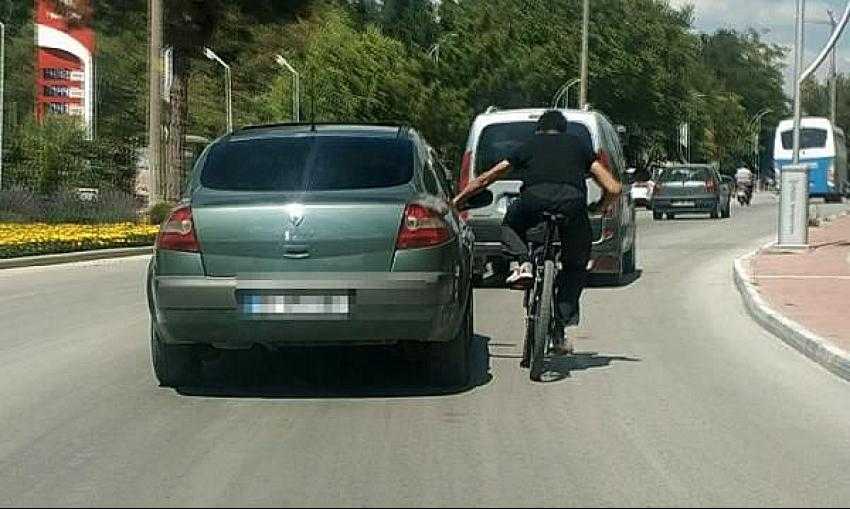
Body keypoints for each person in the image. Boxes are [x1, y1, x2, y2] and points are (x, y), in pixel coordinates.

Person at [452, 110, 622, 355]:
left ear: (539, 129)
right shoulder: (579, 146)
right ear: (563, 130)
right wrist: (599, 207)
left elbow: (488, 177)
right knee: (575, 265)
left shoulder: (529, 145)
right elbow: (614, 187)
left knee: (511, 225)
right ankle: (560, 327)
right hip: (572, 206)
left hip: (534, 201)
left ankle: (522, 264)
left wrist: (457, 201)